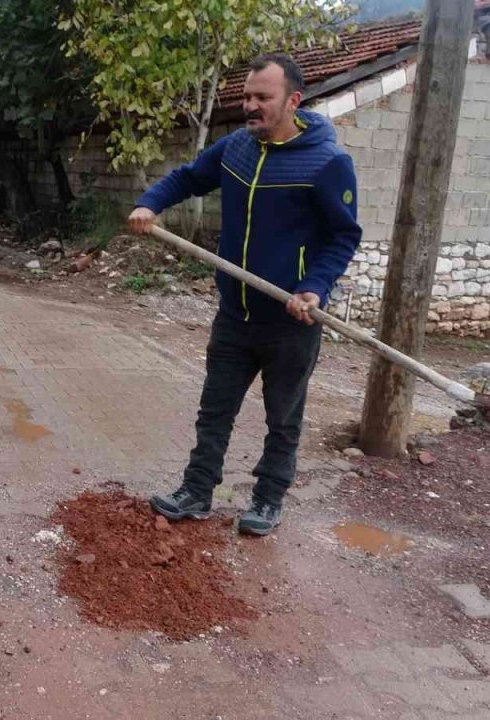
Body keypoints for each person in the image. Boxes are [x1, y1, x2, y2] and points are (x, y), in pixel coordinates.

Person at [128, 53, 362, 536]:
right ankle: (196, 491)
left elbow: (343, 236)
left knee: (283, 418)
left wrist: (314, 288)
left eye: (262, 98)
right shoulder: (236, 148)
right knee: (214, 409)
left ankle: (268, 499)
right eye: (247, 96)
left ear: (293, 101)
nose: (250, 106)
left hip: (291, 320)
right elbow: (189, 177)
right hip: (235, 314)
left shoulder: (327, 162)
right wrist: (149, 203)